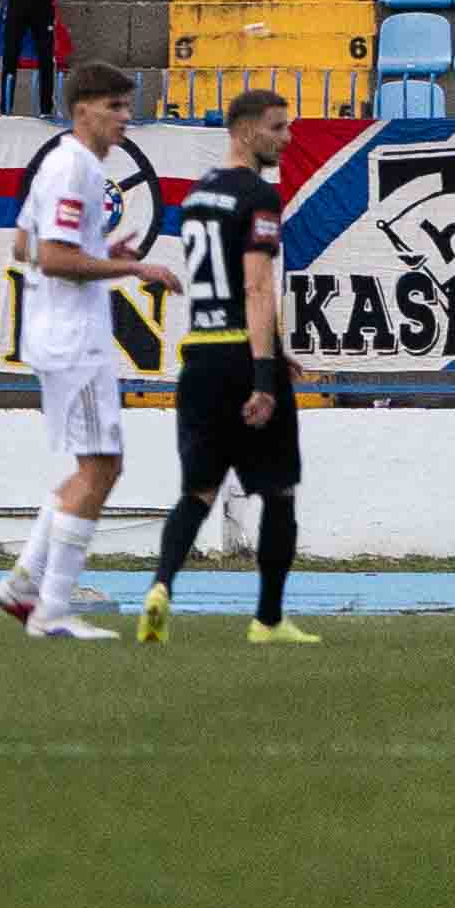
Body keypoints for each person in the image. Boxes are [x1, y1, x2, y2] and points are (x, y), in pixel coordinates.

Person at [137, 88, 315, 647]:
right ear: (244, 132)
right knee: (279, 491)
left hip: (201, 353)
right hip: (242, 357)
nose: (287, 139)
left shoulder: (197, 196)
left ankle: (161, 587)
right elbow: (256, 284)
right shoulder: (258, 195)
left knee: (198, 490)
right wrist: (265, 374)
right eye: (277, 128)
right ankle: (267, 620)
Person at [0, 67, 160, 641]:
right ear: (83, 108)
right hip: (74, 335)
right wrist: (131, 266)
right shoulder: (76, 169)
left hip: (55, 330)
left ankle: (24, 585)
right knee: (102, 466)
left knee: (94, 465)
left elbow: (23, 246)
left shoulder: (57, 164)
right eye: (115, 106)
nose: (125, 118)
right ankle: (50, 609)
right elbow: (59, 260)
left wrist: (99, 249)